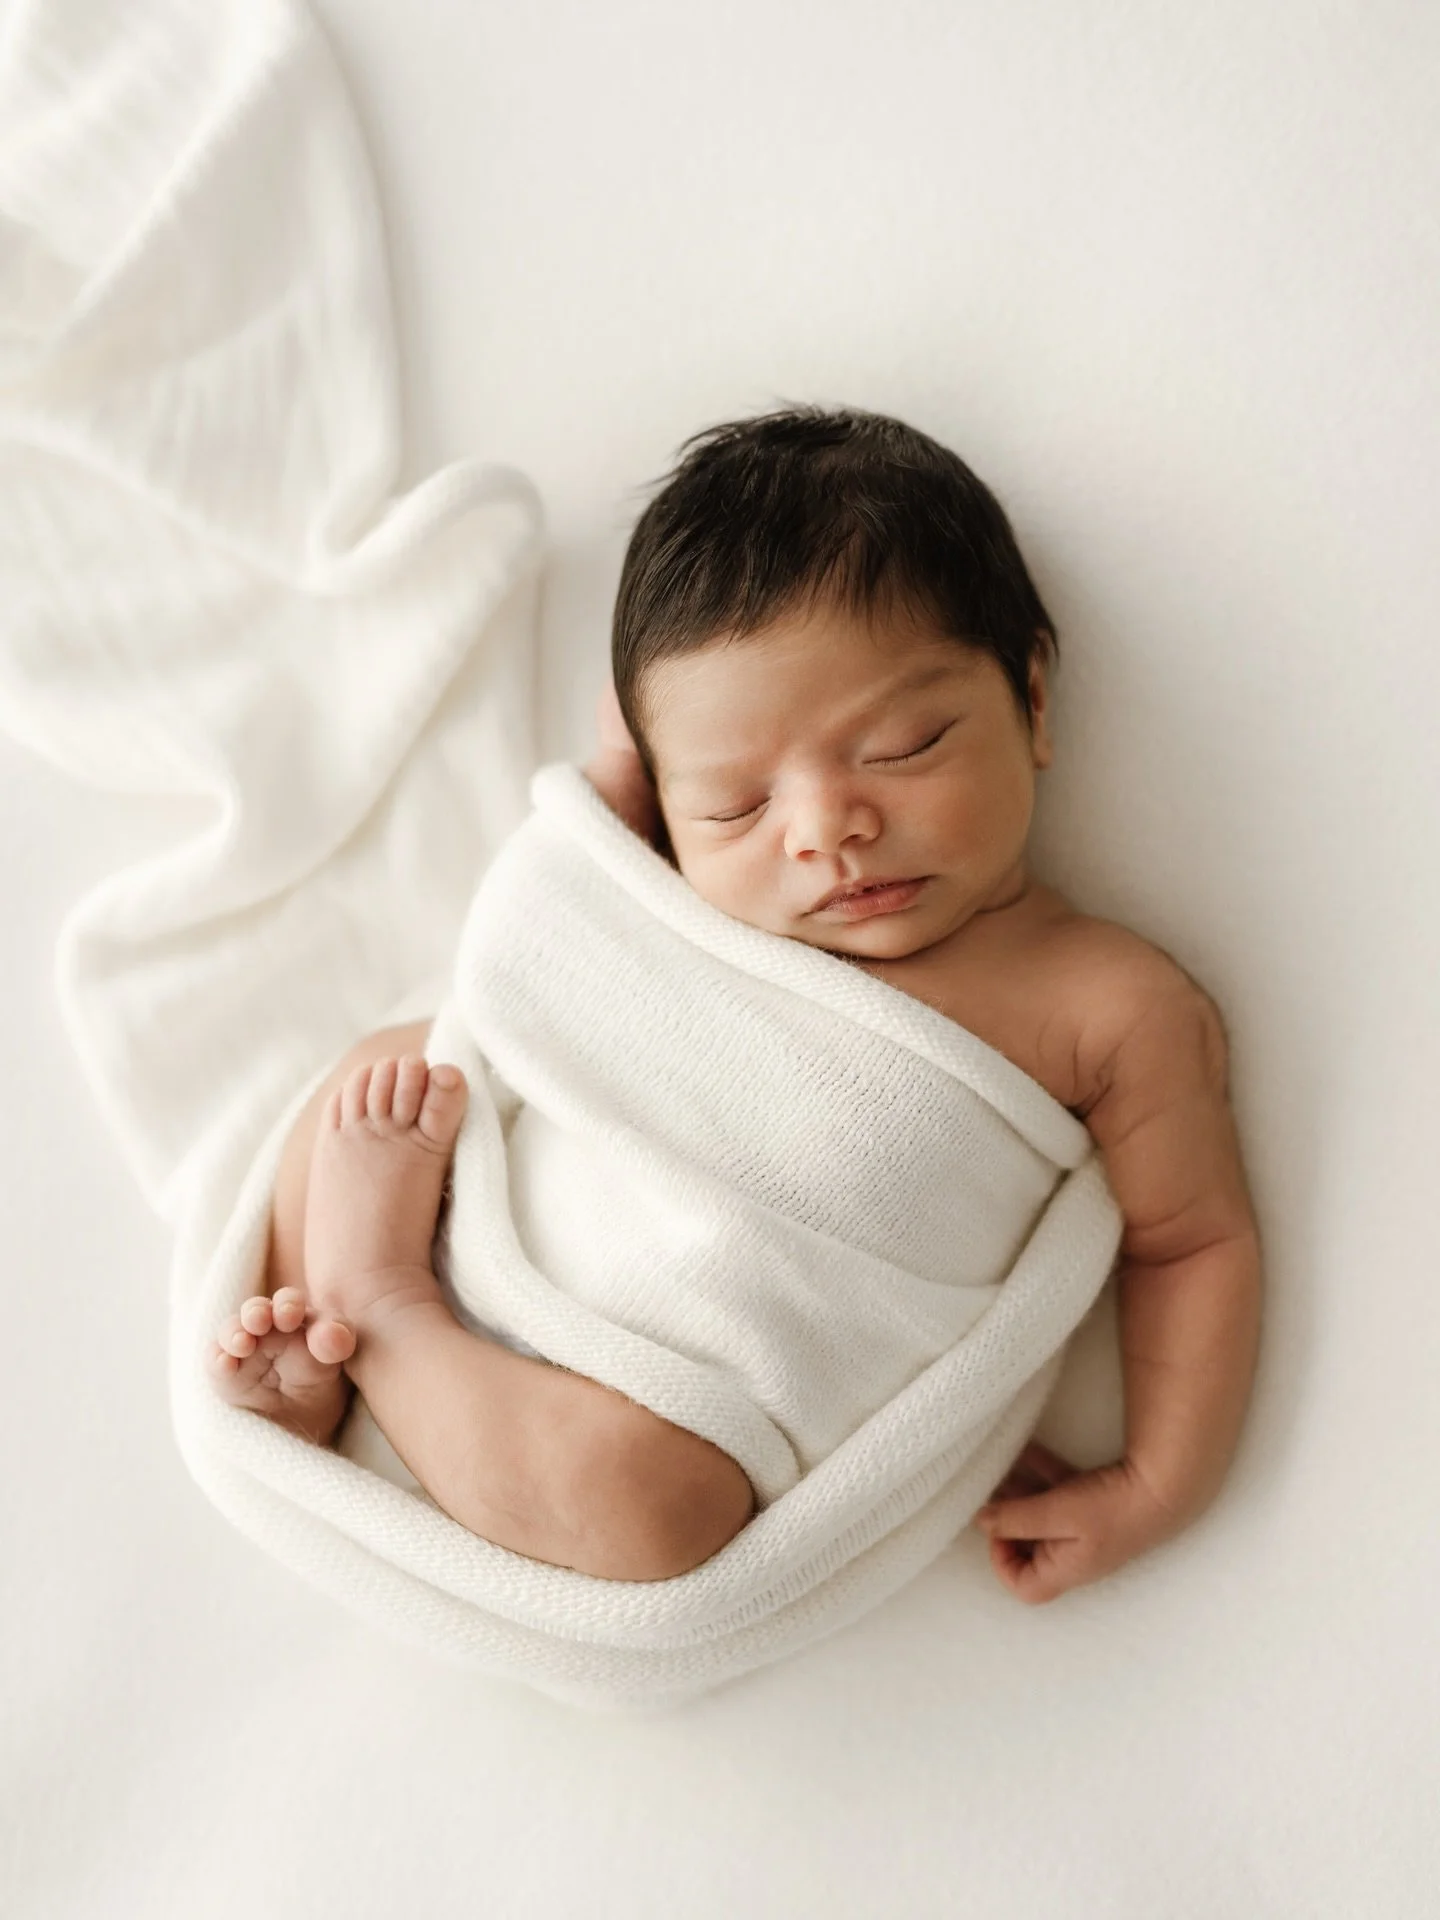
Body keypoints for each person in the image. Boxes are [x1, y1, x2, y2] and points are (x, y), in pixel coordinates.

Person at [210, 405, 1262, 1601]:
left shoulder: (1108, 1002)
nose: (825, 832)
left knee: (661, 1514)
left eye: (903, 745)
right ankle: (330, 1342)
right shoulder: (673, 867)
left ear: (1031, 694)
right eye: (735, 806)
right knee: (390, 1076)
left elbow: (1191, 1241)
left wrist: (1159, 1480)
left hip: (670, 1406)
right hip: (512, 1237)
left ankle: (376, 1319)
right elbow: (569, 910)